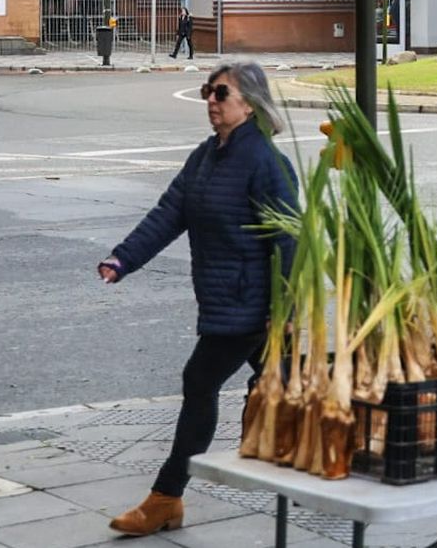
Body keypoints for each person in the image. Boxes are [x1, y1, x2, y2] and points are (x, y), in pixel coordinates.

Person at [99, 62, 298, 536]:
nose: (210, 100)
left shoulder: (267, 163)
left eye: (221, 93)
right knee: (291, 385)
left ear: (248, 103)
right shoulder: (206, 157)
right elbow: (169, 214)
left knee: (199, 382)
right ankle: (345, 455)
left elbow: (291, 242)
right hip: (223, 298)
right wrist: (124, 259)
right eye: (208, 91)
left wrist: (284, 312)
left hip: (249, 305)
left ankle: (166, 497)